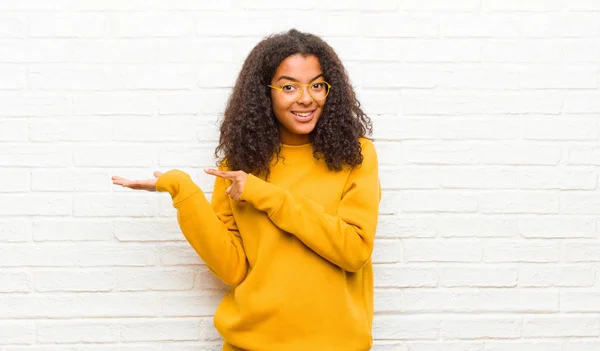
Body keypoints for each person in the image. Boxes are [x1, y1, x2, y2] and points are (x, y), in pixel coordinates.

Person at [112, 29, 381, 351]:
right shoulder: (239, 163)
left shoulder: (355, 154)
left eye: (317, 85)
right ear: (264, 92)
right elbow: (232, 267)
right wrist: (182, 190)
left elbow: (354, 251)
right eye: (288, 87)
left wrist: (264, 194)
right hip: (250, 344)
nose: (306, 98)